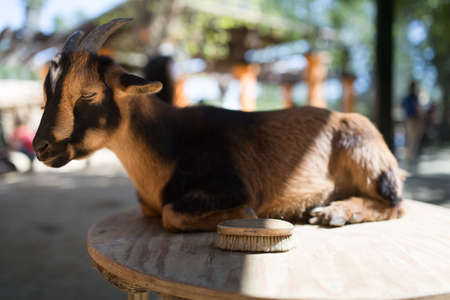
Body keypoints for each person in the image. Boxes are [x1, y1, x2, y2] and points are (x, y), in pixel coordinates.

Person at [401, 81, 423, 165]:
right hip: (410, 119)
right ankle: (410, 156)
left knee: (414, 138)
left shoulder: (415, 97)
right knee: (411, 138)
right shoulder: (409, 97)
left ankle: (411, 156)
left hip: (414, 119)